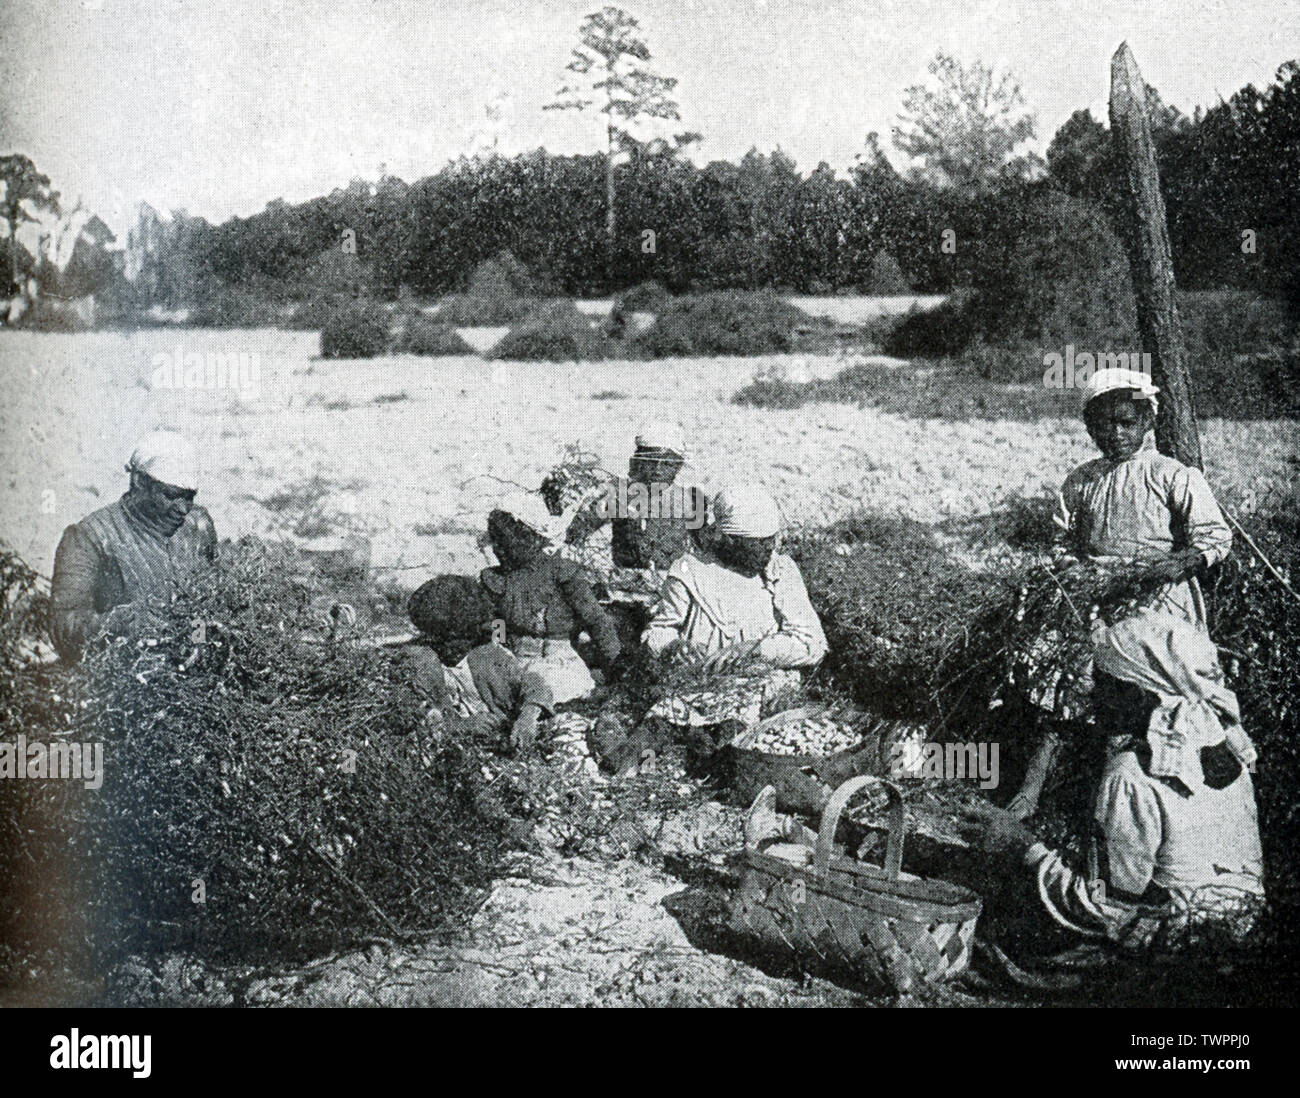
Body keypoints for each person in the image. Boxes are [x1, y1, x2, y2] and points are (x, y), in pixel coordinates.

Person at [959, 612, 1264, 954]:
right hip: (1242, 930)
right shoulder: (1227, 744)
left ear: (1137, 694)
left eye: (1106, 685)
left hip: (1175, 944)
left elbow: (1103, 905)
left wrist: (1021, 845)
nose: (1095, 697)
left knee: (997, 938)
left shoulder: (1131, 773)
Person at [1007, 367, 1235, 818]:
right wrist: (1078, 572)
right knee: (1066, 679)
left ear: (1148, 423)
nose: (1116, 433)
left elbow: (1214, 538)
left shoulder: (1173, 475)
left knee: (1157, 689)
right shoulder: (1081, 481)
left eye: (1127, 423)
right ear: (1090, 428)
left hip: (1159, 598)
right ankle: (1032, 791)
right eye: (1104, 424)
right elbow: (1061, 542)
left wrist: (1174, 565)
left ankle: (1161, 796)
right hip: (1096, 597)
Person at [49, 430, 217, 663]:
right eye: (171, 495)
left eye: (189, 497)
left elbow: (205, 605)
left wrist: (198, 648)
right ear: (139, 482)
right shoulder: (90, 538)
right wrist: (118, 623)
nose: (183, 509)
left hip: (186, 679)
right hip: (120, 678)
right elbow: (62, 626)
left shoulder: (197, 527)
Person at [480, 491, 621, 704]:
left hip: (559, 664)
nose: (501, 548)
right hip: (516, 664)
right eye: (498, 541)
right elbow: (496, 623)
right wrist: (500, 654)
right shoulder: (496, 579)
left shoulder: (562, 573)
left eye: (509, 540)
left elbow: (596, 622)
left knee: (552, 693)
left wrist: (616, 671)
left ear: (534, 537)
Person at [403, 574, 554, 755]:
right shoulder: (422, 660)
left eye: (459, 637)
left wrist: (527, 717)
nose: (450, 647)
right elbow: (414, 713)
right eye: (442, 638)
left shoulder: (488, 656)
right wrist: (460, 726)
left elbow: (535, 685)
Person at [563, 420, 707, 571]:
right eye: (651, 462)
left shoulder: (691, 500)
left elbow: (706, 548)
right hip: (624, 584)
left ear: (678, 466)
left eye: (666, 464)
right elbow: (574, 533)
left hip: (672, 584)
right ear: (639, 462)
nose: (657, 470)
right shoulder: (619, 494)